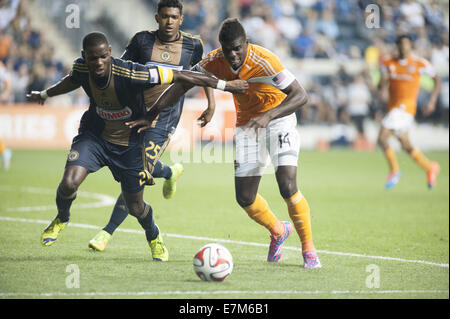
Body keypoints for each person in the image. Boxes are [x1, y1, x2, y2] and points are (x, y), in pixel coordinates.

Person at [25, 32, 248, 261]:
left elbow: (183, 75)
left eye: (103, 56)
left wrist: (226, 85)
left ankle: (153, 235)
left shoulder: (133, 72)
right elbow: (71, 81)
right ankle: (62, 218)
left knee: (136, 206)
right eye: (93, 58)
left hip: (129, 145)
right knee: (68, 183)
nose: (99, 62)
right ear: (85, 56)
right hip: (94, 137)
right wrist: (44, 94)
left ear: (110, 52)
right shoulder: (82, 68)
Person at [128, 18, 321, 269]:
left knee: (286, 184)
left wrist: (268, 116)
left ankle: (308, 248)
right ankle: (277, 231)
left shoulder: (265, 60)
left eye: (238, 48)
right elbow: (184, 82)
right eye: (228, 49)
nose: (233, 54)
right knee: (245, 198)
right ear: (221, 46)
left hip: (278, 120)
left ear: (247, 44)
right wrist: (153, 112)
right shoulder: (214, 60)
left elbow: (300, 95)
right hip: (247, 126)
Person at [88, 0, 217, 254]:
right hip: (136, 112)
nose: (169, 21)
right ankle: (169, 172)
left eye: (174, 17)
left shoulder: (193, 45)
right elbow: (120, 70)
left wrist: (211, 104)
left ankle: (107, 232)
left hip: (165, 116)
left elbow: (204, 73)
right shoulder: (141, 42)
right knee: (130, 166)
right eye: (165, 16)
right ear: (157, 18)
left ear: (181, 19)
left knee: (135, 173)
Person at [378, 35, 441, 189]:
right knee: (406, 145)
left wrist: (432, 100)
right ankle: (430, 167)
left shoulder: (419, 63)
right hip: (393, 109)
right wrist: (382, 81)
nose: (403, 48)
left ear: (411, 47)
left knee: (382, 137)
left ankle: (394, 171)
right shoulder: (388, 63)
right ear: (397, 46)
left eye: (406, 45)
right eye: (400, 44)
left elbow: (437, 80)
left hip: (405, 109)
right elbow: (381, 87)